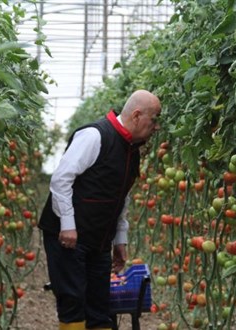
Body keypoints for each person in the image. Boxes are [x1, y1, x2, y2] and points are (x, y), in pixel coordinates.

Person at [39, 90, 161, 330]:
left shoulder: (131, 150)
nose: (156, 127)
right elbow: (61, 179)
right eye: (154, 119)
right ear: (137, 115)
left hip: (98, 238)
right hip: (68, 237)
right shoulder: (95, 135)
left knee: (100, 307)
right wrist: (67, 225)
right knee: (73, 302)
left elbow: (120, 197)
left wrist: (120, 241)